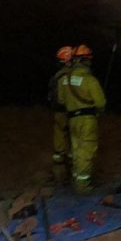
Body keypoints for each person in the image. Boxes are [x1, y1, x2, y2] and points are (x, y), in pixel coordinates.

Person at [58, 44, 107, 194]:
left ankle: (76, 180)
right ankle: (82, 187)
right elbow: (101, 102)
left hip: (72, 118)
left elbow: (61, 100)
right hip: (87, 119)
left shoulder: (63, 79)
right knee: (86, 151)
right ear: (86, 60)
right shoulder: (89, 80)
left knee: (76, 150)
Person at [48, 46, 74, 184]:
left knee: (59, 144)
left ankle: (58, 176)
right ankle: (70, 173)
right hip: (68, 112)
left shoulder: (57, 76)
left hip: (57, 113)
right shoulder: (70, 76)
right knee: (73, 141)